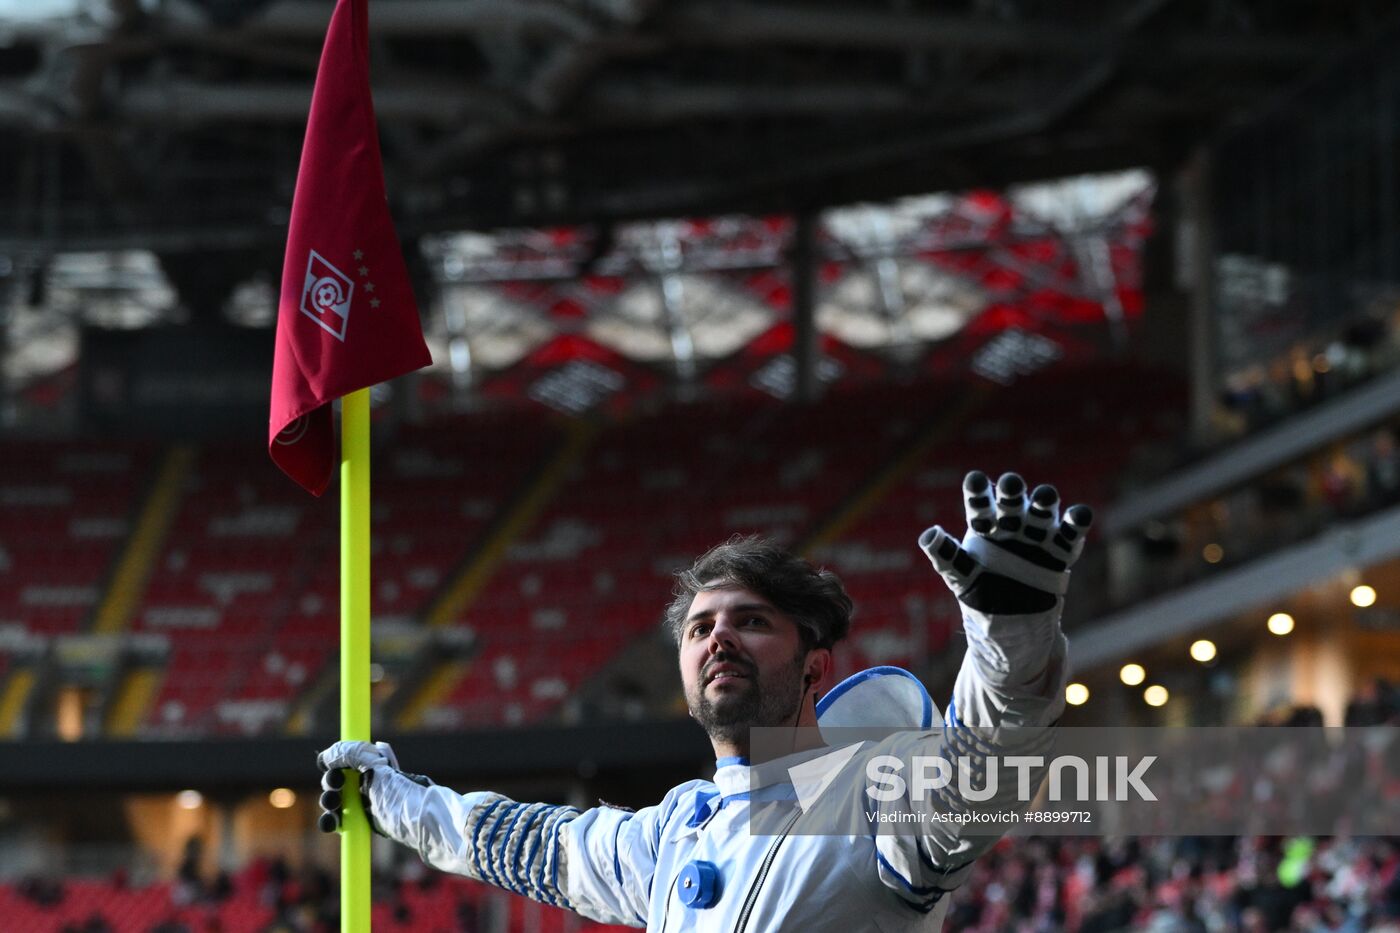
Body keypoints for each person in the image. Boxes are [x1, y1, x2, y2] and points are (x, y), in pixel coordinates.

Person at [319, 470, 1092, 931]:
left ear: (815, 664)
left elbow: (990, 752)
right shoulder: (673, 835)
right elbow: (524, 842)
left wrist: (1010, 634)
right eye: (699, 628)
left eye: (750, 622)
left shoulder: (882, 800)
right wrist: (388, 799)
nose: (717, 639)